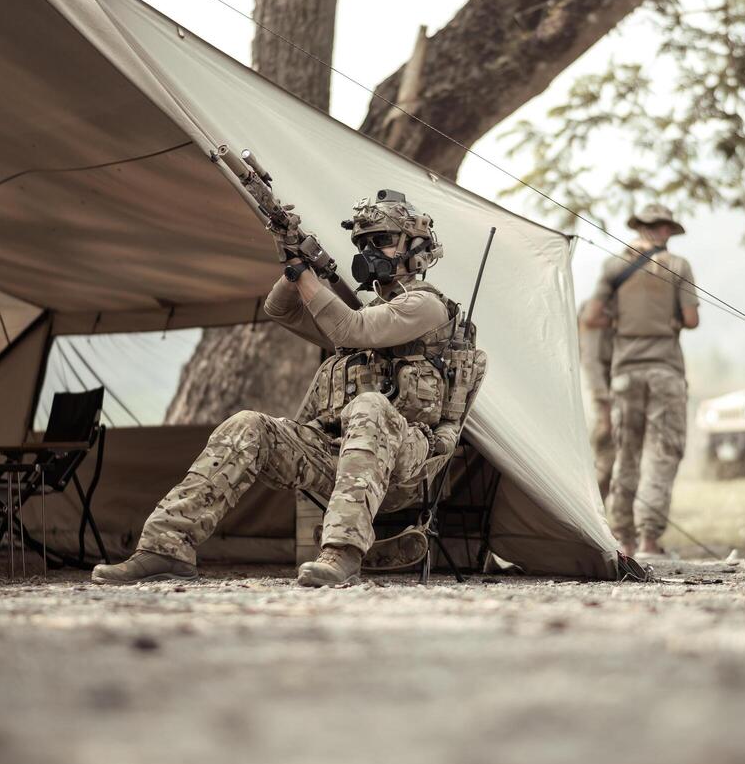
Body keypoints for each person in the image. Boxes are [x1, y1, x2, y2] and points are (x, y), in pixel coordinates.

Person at [92, 191, 485, 587]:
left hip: (404, 464)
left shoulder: (424, 307)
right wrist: (296, 261)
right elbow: (278, 310)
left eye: (381, 240)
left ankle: (341, 554)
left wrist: (306, 273)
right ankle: (164, 548)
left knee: (370, 405)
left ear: (417, 250)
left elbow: (351, 329)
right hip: (336, 454)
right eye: (362, 243)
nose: (369, 251)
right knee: (248, 424)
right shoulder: (365, 313)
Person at [584, 204, 699, 558]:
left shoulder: (613, 266)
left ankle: (624, 540)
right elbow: (691, 320)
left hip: (624, 374)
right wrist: (667, 323)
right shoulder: (678, 266)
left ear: (639, 228)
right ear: (665, 230)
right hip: (665, 371)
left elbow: (591, 317)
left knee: (626, 454)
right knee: (661, 453)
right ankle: (650, 539)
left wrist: (624, 324)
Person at [578, 302, 615, 500]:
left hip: (595, 402)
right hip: (595, 406)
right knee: (605, 460)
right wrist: (604, 411)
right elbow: (592, 367)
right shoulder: (591, 334)